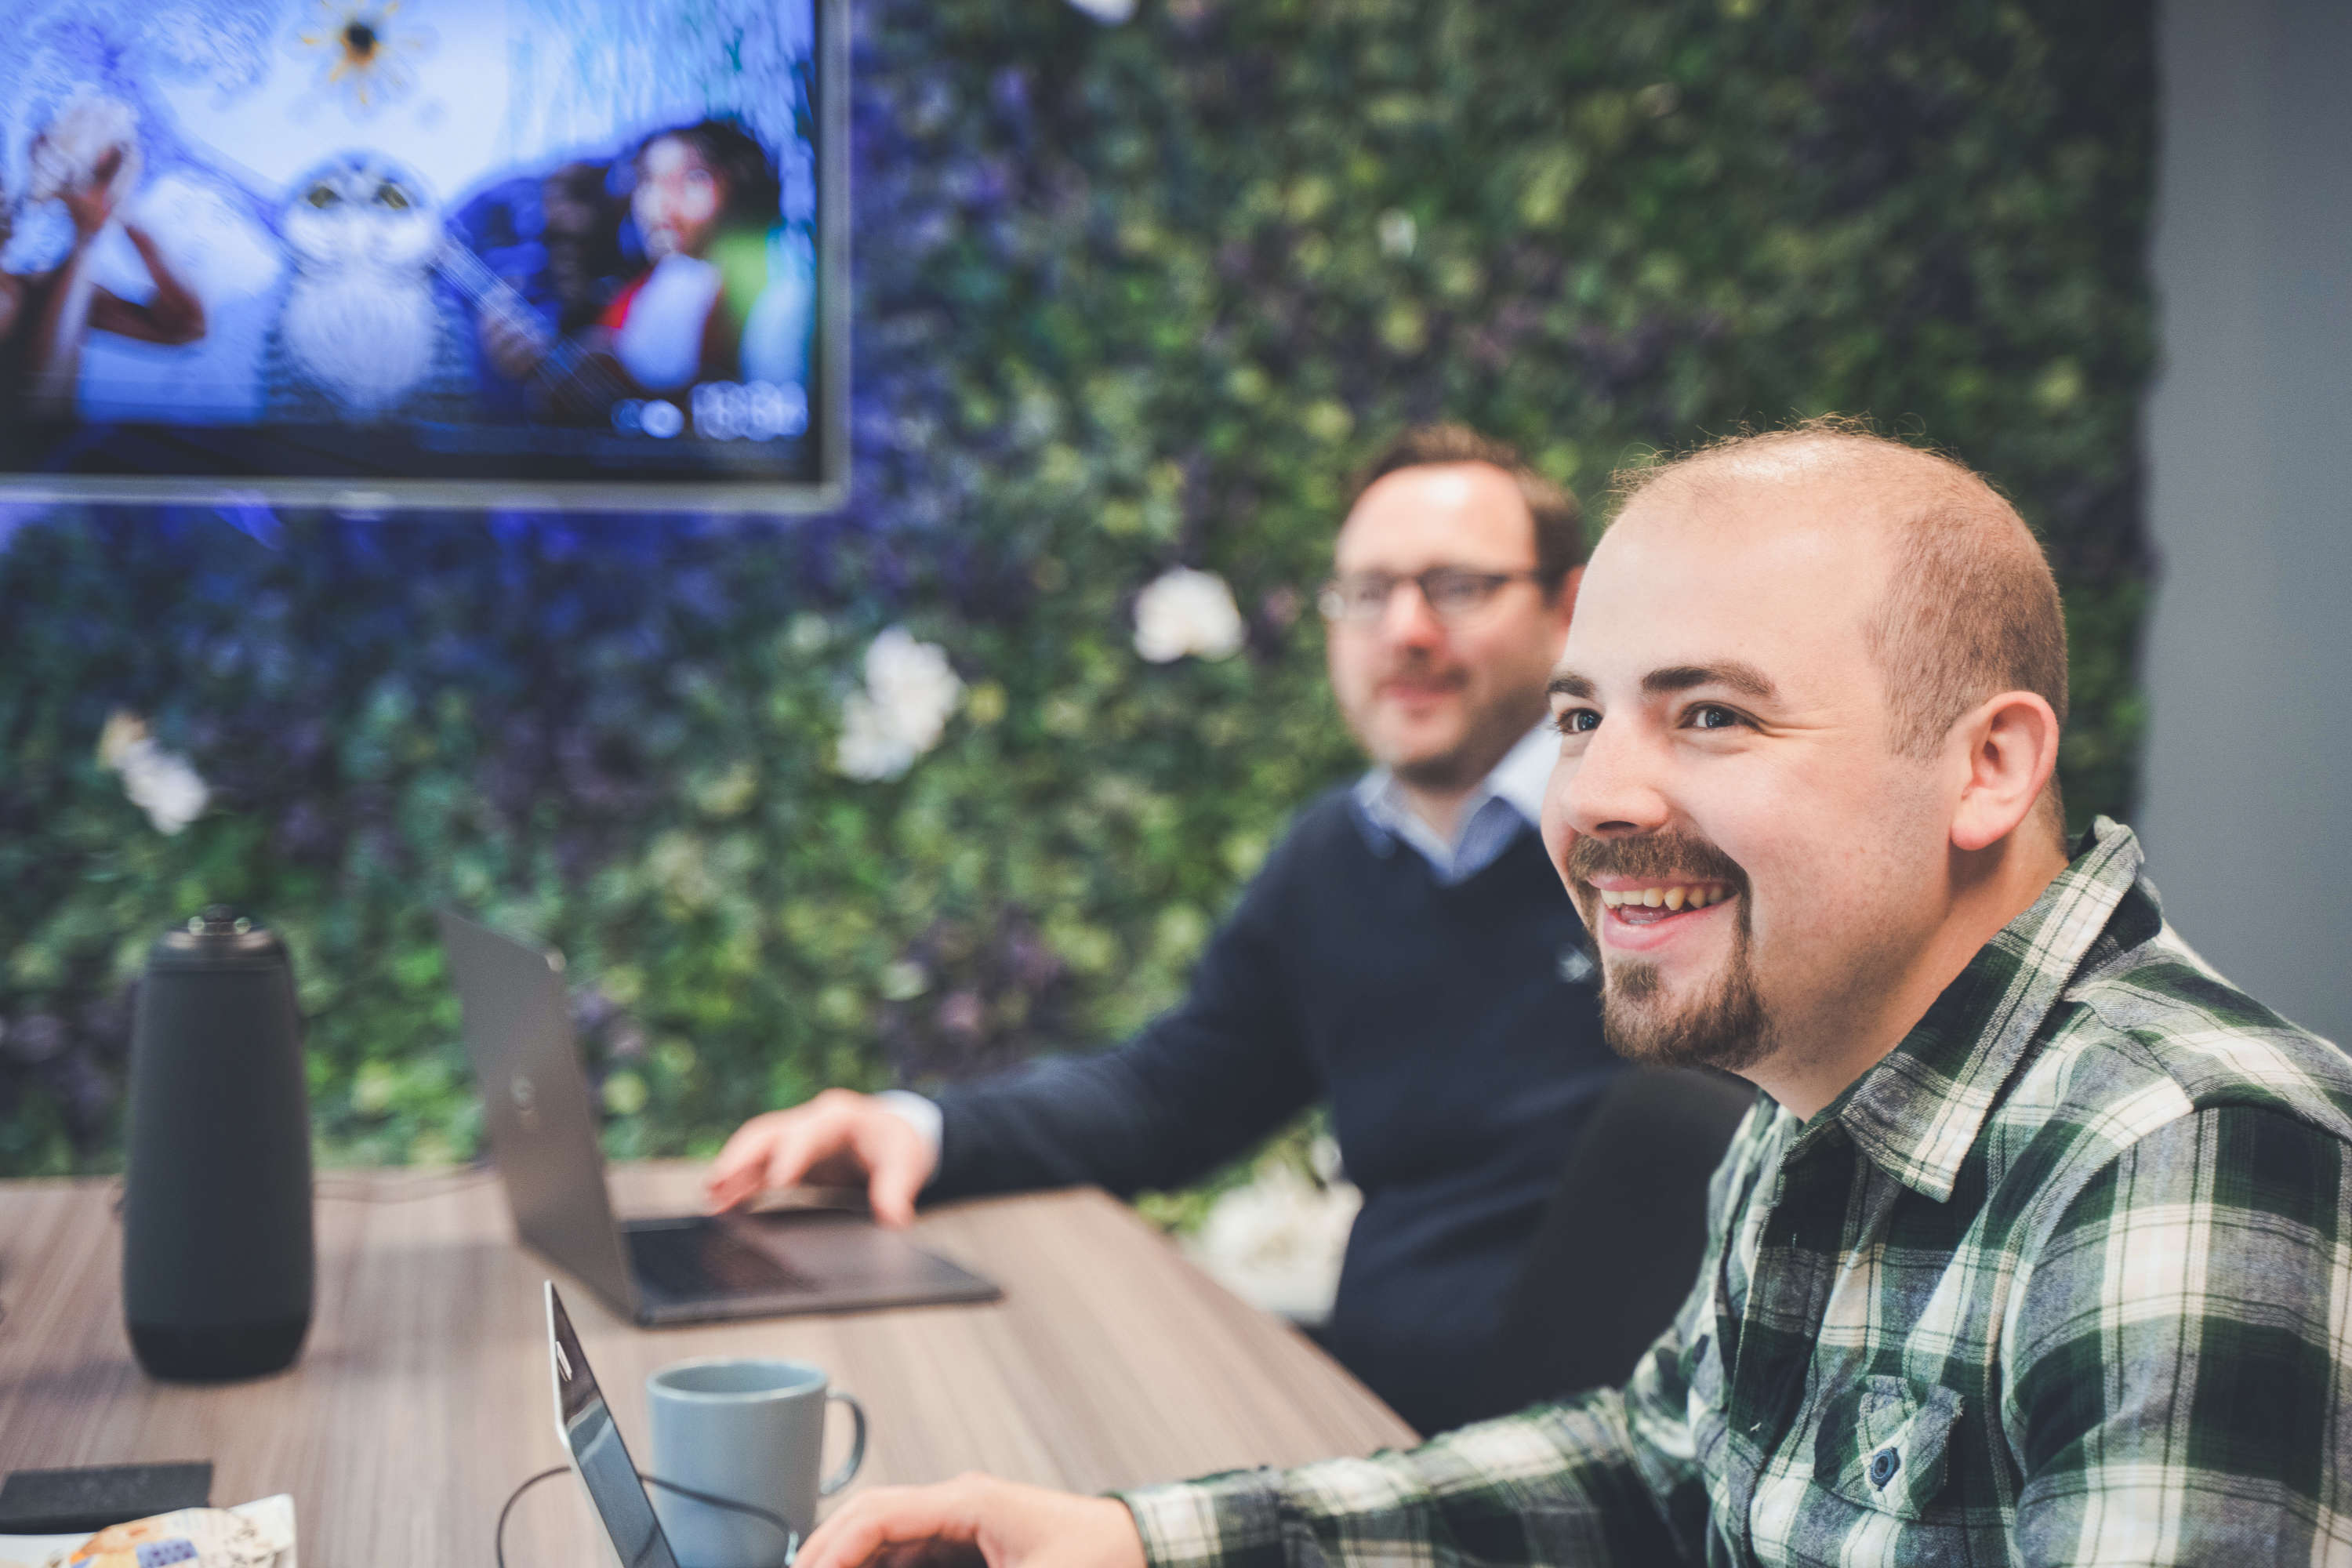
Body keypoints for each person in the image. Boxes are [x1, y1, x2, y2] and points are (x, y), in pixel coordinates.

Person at [788, 419, 2352, 1568]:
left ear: (1988, 767)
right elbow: (1655, 1467)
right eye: (1588, 718)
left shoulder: (2184, 1145)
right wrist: (1134, 1542)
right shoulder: (1824, 1073)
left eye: (1716, 716)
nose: (1599, 797)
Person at [708, 426, 1629, 1433]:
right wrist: (920, 1129)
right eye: (1365, 592)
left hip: (1597, 1458)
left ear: (1567, 606)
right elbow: (1173, 1094)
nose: (1404, 629)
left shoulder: (1649, 846)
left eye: (1457, 586)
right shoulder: (1334, 857)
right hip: (1365, 1417)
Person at [477, 118, 807, 423]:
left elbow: (778, 417)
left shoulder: (779, 292)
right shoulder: (639, 292)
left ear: (741, 181)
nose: (661, 203)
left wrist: (631, 396)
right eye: (649, 182)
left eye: (694, 179)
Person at [0, 97, 205, 415]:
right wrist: (86, 239)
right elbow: (38, 400)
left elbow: (185, 327)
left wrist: (119, 207)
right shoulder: (22, 295)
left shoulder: (40, 290)